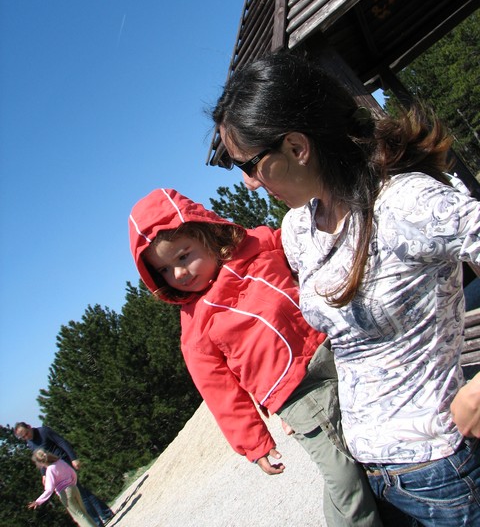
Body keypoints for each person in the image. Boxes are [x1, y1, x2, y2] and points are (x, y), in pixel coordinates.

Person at [211, 50, 480, 526]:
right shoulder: (298, 230)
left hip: (442, 474)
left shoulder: (406, 203)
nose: (250, 184)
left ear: (297, 147)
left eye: (248, 165)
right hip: (373, 477)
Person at [129, 187, 385, 527]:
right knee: (343, 475)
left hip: (336, 352)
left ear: (207, 233)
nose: (178, 274)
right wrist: (254, 443)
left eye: (183, 256)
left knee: (378, 443)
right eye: (163, 270)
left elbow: (306, 247)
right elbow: (219, 391)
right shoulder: (195, 326)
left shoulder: (258, 245)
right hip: (297, 395)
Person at [14, 422, 114, 526]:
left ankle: (96, 522)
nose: (26, 437)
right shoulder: (30, 443)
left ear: (29, 427)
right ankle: (105, 513)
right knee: (81, 491)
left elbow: (62, 442)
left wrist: (73, 458)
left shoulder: (43, 431)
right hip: (51, 468)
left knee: (80, 494)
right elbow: (40, 459)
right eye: (23, 437)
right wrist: (43, 474)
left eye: (26, 433)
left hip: (62, 462)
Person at [28, 448, 97, 527]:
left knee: (79, 516)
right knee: (84, 513)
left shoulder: (50, 470)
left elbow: (49, 489)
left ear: (41, 463)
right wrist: (73, 484)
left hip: (65, 493)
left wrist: (38, 501)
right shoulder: (61, 462)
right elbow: (73, 473)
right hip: (74, 488)